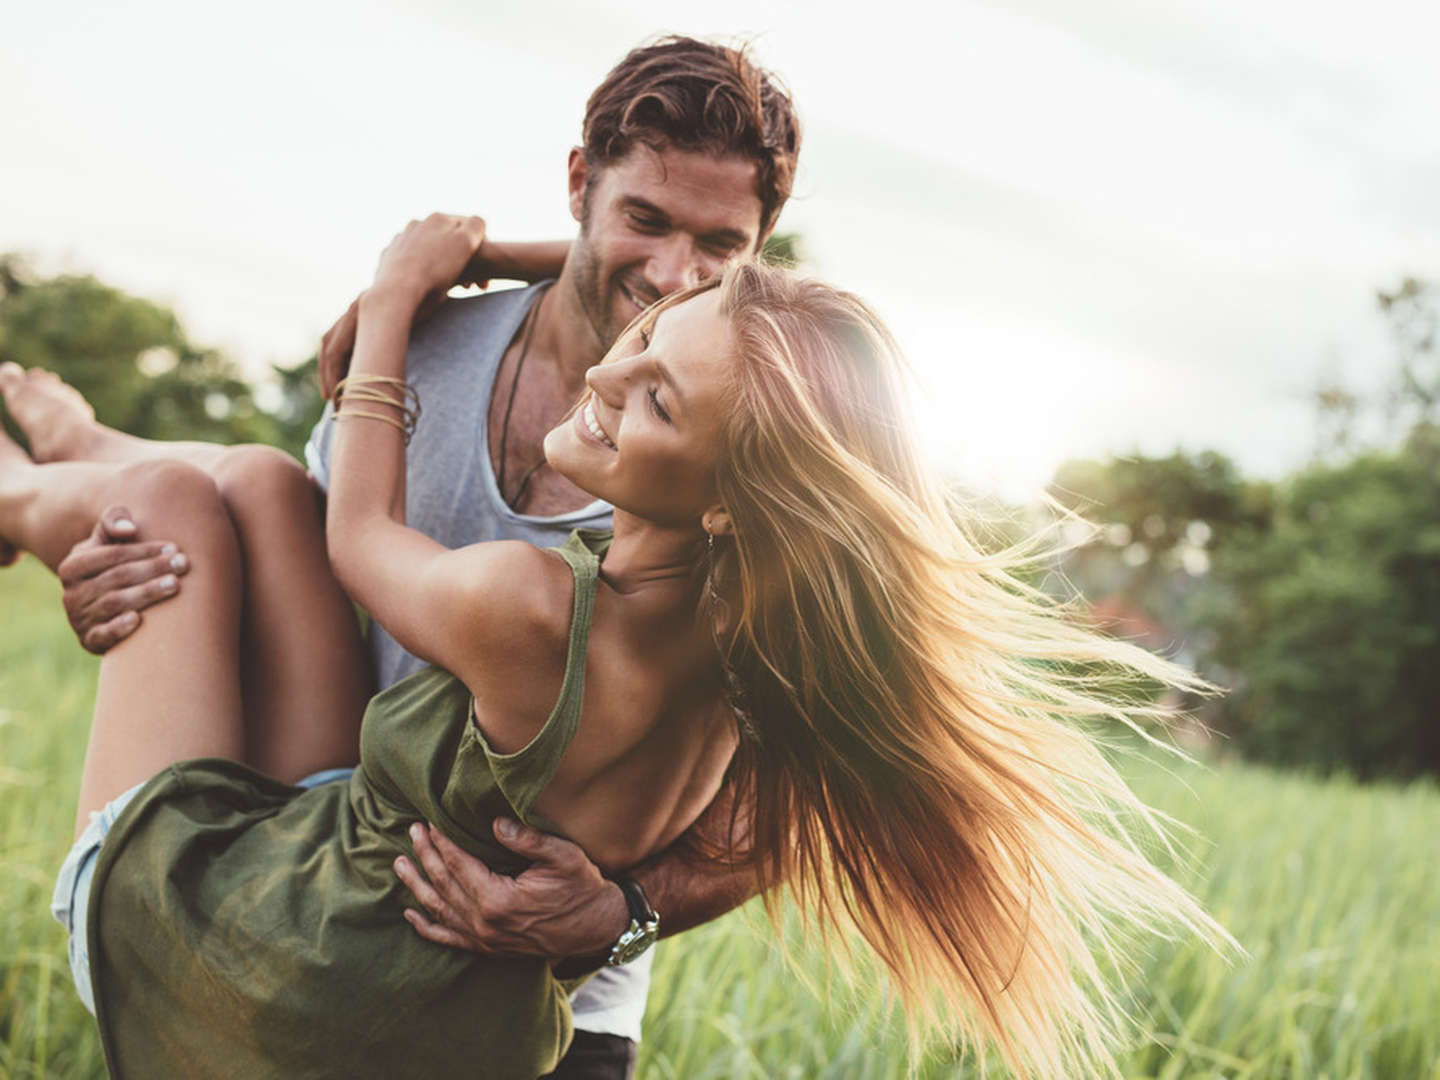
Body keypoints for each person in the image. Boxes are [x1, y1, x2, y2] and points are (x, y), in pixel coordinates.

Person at [1, 219, 1225, 1078]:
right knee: (266, 487)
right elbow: (746, 340)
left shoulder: (530, 607)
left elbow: (360, 538)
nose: (608, 372)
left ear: (733, 494)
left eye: (654, 399)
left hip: (288, 976)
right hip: (408, 956)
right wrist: (519, 265)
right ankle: (75, 438)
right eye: (648, 334)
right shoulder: (767, 661)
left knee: (169, 505)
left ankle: (15, 495)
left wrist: (390, 304)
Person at [32, 34, 803, 1079]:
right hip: (330, 826)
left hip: (516, 986)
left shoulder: (741, 497)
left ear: (758, 256)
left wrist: (620, 913)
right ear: (579, 184)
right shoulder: (437, 354)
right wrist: (121, 581)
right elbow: (293, 542)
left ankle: (58, 474)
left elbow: (801, 810)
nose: (677, 275)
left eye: (721, 245)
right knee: (241, 486)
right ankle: (77, 462)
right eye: (645, 218)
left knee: (174, 498)